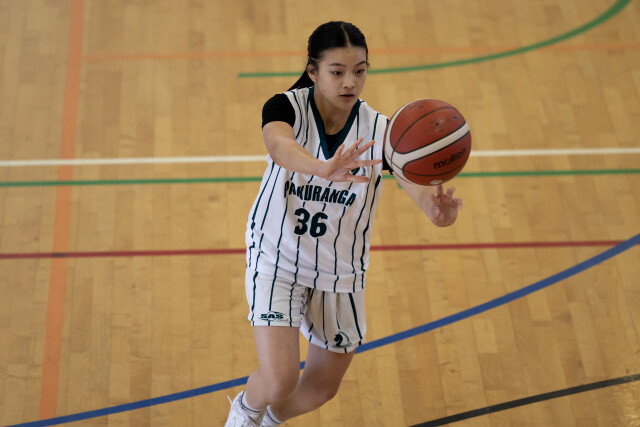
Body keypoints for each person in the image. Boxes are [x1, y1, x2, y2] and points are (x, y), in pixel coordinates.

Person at [225, 21, 462, 427]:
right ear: (313, 71)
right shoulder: (285, 107)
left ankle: (270, 422)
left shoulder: (382, 131)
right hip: (277, 255)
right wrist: (322, 168)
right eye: (337, 72)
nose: (350, 82)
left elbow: (415, 186)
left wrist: (436, 210)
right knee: (280, 380)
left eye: (360, 71)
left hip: (340, 269)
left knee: (321, 388)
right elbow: (279, 146)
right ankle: (245, 412)